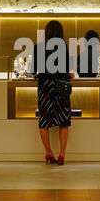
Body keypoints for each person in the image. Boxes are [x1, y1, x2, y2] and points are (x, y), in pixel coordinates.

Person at [31, 20, 74, 165]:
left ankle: (49, 152)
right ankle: (62, 155)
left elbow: (33, 72)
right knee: (64, 121)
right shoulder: (63, 48)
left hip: (45, 88)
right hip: (61, 88)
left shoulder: (38, 48)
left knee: (44, 121)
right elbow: (67, 70)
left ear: (46, 32)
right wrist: (70, 75)